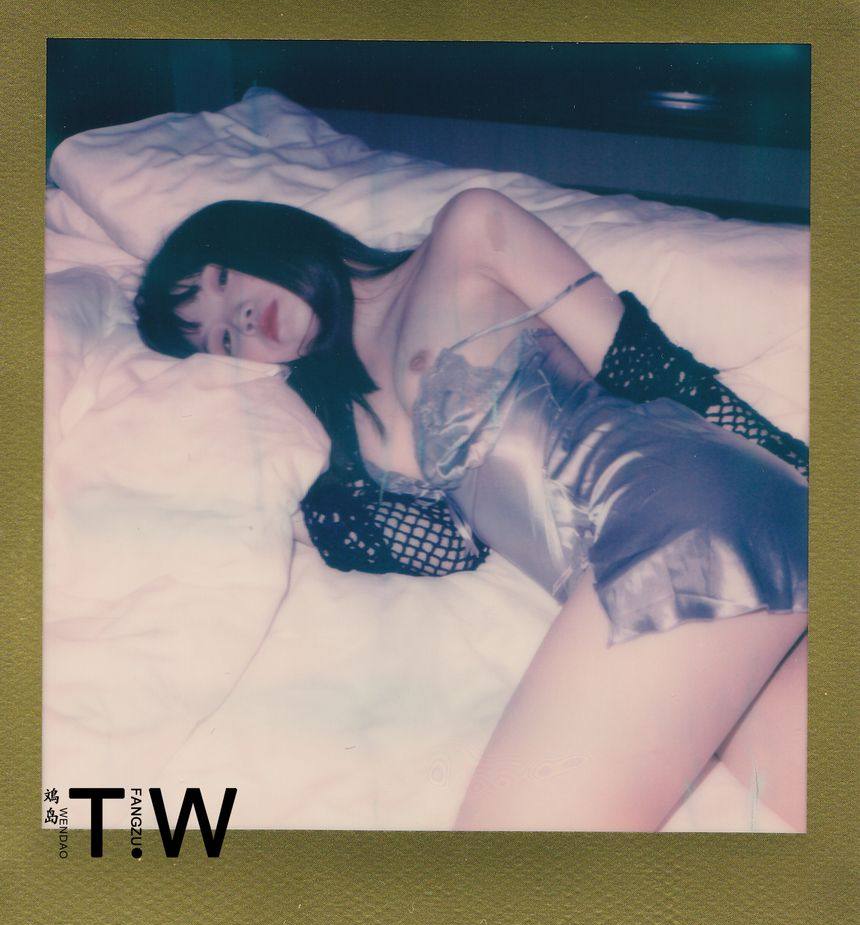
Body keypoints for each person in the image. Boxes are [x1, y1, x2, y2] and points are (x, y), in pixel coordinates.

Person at [135, 193, 808, 832]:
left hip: (678, 503)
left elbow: (650, 368)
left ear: (268, 234)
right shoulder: (340, 418)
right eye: (222, 340)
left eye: (223, 280)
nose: (240, 319)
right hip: (632, 566)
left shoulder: (468, 230)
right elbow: (447, 549)